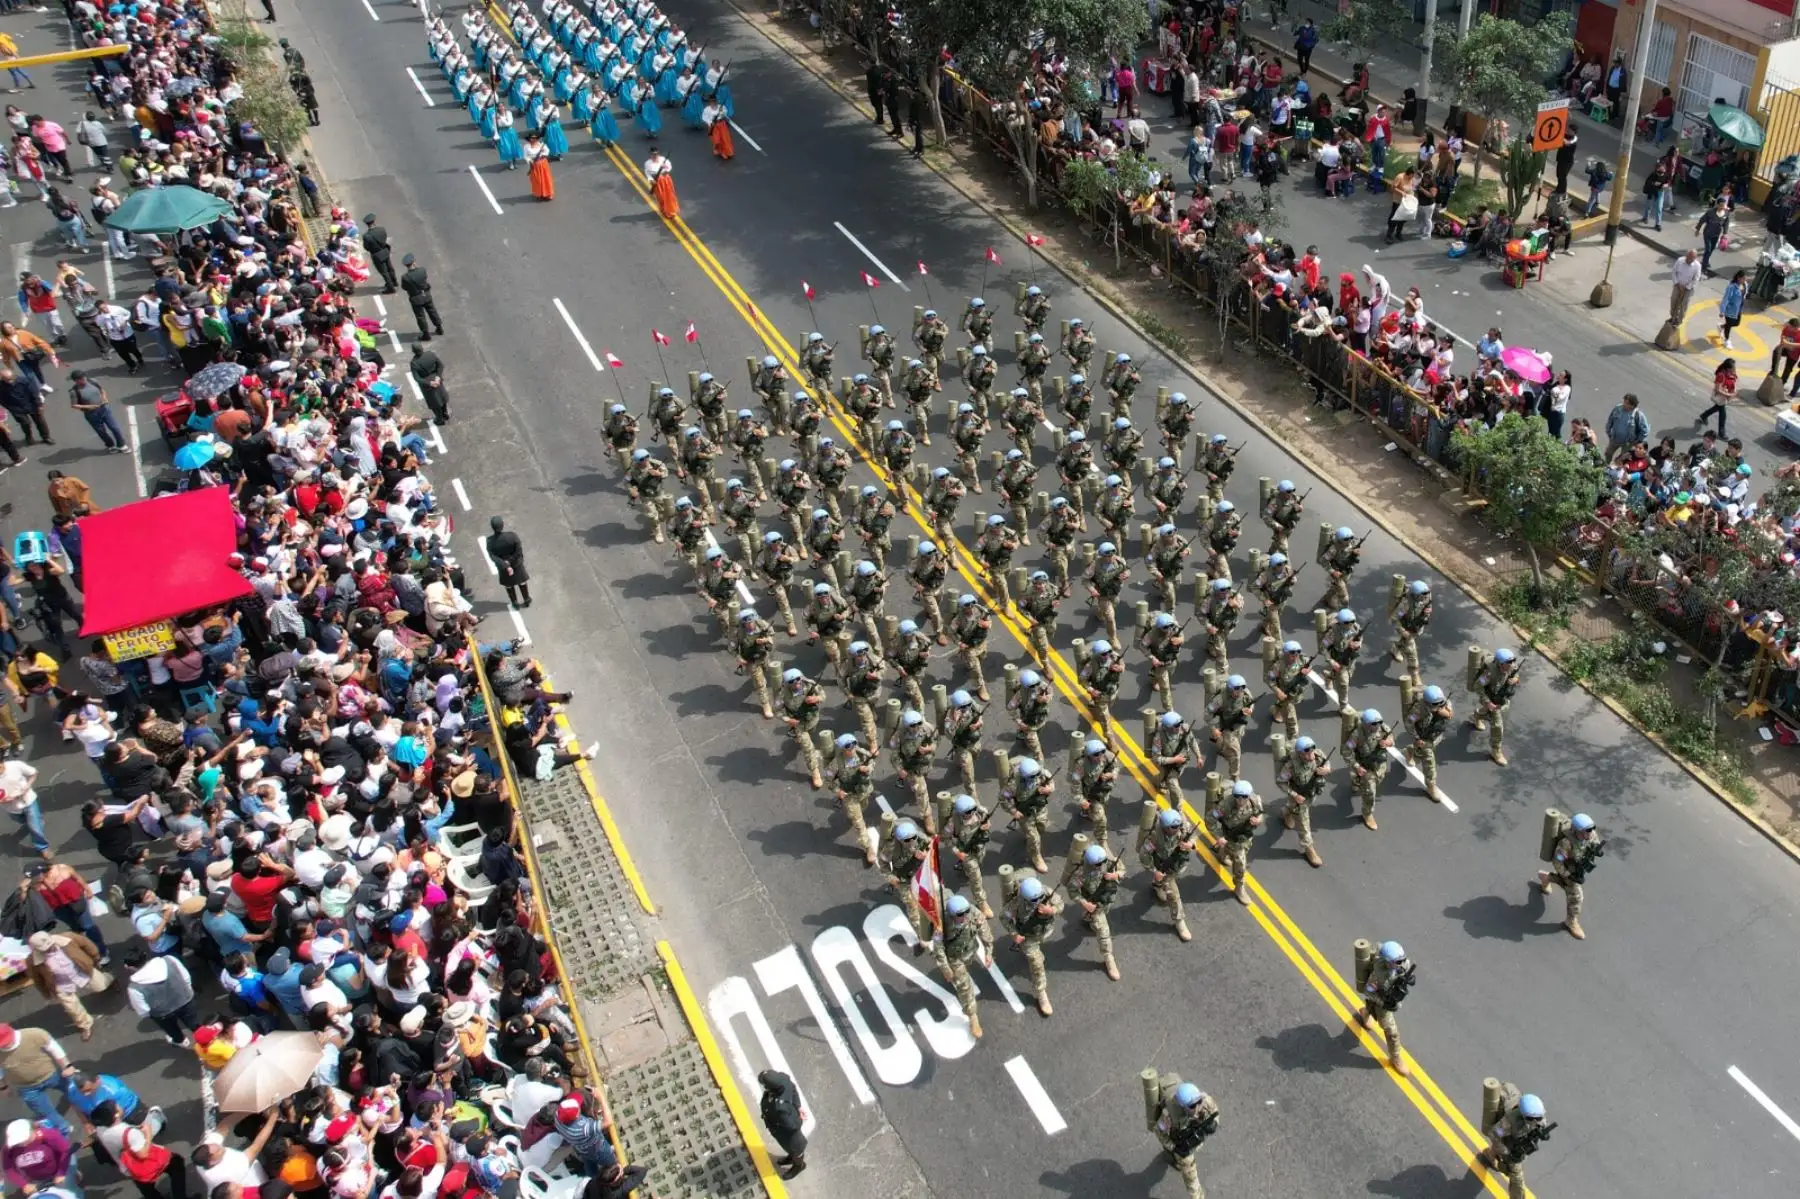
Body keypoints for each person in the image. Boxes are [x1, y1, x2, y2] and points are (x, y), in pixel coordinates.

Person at [25, 931, 107, 1041]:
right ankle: (85, 1025)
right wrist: (46, 992)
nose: (50, 948)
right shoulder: (32, 961)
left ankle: (110, 980)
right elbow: (37, 979)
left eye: (50, 945)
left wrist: (95, 957)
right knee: (73, 1009)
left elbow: (87, 944)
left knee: (102, 985)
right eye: (45, 948)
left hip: (82, 971)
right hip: (61, 984)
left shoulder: (68, 938)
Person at [0, 1024, 80, 1135]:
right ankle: (63, 1128)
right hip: (26, 1088)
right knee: (45, 1112)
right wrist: (3, 1086)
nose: (4, 1047)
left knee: (75, 1090)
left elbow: (54, 1048)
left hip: (51, 1075)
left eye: (6, 1042)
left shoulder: (34, 1034)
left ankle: (87, 1109)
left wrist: (67, 1066)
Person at [757, 1070, 806, 1178]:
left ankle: (799, 1166)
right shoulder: (783, 1080)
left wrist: (799, 1117)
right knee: (789, 1149)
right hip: (782, 1131)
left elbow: (794, 1126)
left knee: (796, 1151)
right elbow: (793, 1089)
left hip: (789, 1136)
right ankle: (791, 1157)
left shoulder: (782, 1109)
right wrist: (798, 1106)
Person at [66, 372, 124, 453]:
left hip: (104, 409)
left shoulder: (93, 381)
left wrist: (104, 397)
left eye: (84, 377)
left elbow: (102, 390)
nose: (84, 380)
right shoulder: (74, 391)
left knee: (115, 427)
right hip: (91, 414)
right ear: (76, 381)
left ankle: (121, 445)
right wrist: (89, 407)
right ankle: (111, 445)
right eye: (81, 379)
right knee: (101, 432)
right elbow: (74, 405)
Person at [486, 516, 531, 608]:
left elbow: (493, 557)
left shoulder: (490, 542)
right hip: (516, 564)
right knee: (522, 582)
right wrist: (510, 561)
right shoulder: (512, 536)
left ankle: (515, 603)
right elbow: (518, 551)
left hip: (503, 568)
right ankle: (526, 600)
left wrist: (505, 564)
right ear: (502, 525)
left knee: (508, 585)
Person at [409, 343, 450, 424]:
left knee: (434, 402)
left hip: (427, 385)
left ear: (413, 351)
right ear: (422, 348)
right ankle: (445, 413)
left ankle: (440, 419)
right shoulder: (430, 354)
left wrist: (430, 383)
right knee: (442, 398)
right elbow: (440, 366)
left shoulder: (414, 362)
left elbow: (417, 378)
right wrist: (438, 377)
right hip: (437, 379)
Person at [1696, 357, 1737, 436]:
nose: (1735, 368)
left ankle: (1704, 415)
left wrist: (1733, 390)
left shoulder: (1732, 374)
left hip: (1724, 397)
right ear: (1728, 369)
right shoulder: (1721, 375)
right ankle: (1721, 432)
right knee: (1723, 413)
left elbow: (1733, 382)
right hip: (1721, 396)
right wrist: (1729, 395)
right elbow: (1717, 389)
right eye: (1733, 367)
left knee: (1717, 408)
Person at [1667, 248, 1701, 331]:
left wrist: (1687, 288)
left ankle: (1679, 320)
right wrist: (1677, 284)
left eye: (1692, 258)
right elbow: (1674, 272)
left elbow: (1696, 279)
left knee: (1683, 304)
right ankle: (1673, 316)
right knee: (1674, 300)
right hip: (1678, 284)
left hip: (1688, 288)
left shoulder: (1697, 266)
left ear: (1694, 258)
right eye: (1688, 257)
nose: (1689, 260)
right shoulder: (1680, 261)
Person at [644, 147, 678, 220]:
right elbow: (647, 173)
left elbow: (669, 166)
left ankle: (671, 211)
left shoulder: (663, 160)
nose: (655, 156)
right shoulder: (647, 163)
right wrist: (650, 180)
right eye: (653, 154)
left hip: (665, 180)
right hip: (656, 181)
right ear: (650, 155)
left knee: (669, 196)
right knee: (661, 197)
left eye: (656, 154)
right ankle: (664, 210)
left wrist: (666, 169)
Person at [1718, 269, 1748, 350]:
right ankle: (1726, 340)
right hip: (1730, 309)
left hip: (1738, 309)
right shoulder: (1731, 287)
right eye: (1743, 279)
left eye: (1745, 279)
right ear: (1738, 278)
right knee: (1729, 326)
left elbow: (1744, 294)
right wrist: (1722, 311)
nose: (1745, 280)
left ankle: (1722, 326)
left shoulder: (1744, 285)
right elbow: (1726, 299)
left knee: (1736, 323)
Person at [525, 132, 554, 201]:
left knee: (546, 179)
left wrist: (541, 155)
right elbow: (526, 156)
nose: (534, 139)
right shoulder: (526, 147)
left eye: (535, 138)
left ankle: (548, 194)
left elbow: (547, 151)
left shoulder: (541, 145)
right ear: (529, 139)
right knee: (537, 180)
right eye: (532, 138)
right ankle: (539, 193)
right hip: (534, 165)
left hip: (543, 164)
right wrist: (530, 160)